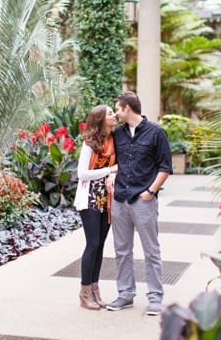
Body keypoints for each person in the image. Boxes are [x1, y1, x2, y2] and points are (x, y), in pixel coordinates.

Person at [105, 91, 173, 316]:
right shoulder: (117, 134)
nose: (115, 112)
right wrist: (111, 176)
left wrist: (151, 192)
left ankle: (155, 298)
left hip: (143, 200)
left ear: (127, 108)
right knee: (122, 250)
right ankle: (125, 294)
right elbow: (113, 161)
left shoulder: (156, 133)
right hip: (120, 199)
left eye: (117, 107)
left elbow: (165, 167)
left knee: (151, 251)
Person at [73, 104, 119, 310]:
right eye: (110, 114)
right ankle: (84, 292)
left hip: (105, 199)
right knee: (92, 244)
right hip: (90, 199)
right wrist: (110, 169)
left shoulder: (113, 141)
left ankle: (95, 289)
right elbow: (82, 174)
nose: (114, 115)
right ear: (100, 120)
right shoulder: (89, 144)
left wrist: (113, 173)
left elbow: (118, 167)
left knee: (100, 245)